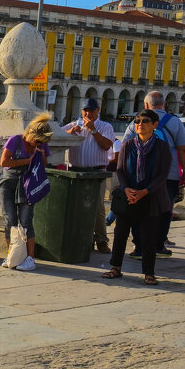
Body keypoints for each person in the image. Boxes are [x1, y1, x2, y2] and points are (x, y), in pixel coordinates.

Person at [104, 109, 172, 286]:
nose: (140, 124)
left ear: (155, 125)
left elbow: (163, 175)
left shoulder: (162, 147)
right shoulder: (127, 146)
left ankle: (149, 273)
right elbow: (120, 170)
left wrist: (145, 191)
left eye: (145, 121)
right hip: (129, 196)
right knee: (120, 233)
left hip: (150, 197)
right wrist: (127, 189)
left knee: (148, 237)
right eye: (137, 121)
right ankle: (115, 267)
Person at [121, 91, 185, 258]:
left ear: (146, 105)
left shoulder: (137, 121)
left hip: (141, 175)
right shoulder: (175, 122)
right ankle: (158, 246)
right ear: (164, 104)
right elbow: (183, 149)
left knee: (139, 209)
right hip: (169, 174)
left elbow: (125, 146)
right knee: (164, 209)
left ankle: (138, 247)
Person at [0, 112, 54, 271]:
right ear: (29, 134)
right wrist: (26, 161)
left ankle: (30, 259)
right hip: (9, 183)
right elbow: (4, 162)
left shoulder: (41, 144)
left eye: (40, 143)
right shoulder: (15, 140)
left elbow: (44, 165)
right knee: (10, 221)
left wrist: (41, 156)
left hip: (28, 185)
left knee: (26, 221)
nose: (37, 145)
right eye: (36, 141)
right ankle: (12, 255)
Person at [63, 98, 114, 254]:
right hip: (76, 170)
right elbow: (53, 136)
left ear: (98, 110)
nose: (88, 113)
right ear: (81, 111)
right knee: (76, 206)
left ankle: (101, 240)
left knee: (97, 207)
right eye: (85, 110)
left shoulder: (105, 126)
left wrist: (93, 130)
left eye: (91, 110)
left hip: (97, 172)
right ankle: (80, 238)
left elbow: (106, 145)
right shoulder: (74, 124)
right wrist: (69, 133)